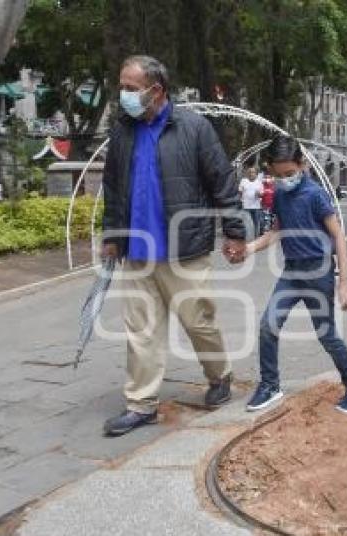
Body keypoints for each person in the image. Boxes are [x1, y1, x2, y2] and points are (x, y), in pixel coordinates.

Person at [100, 55, 246, 436]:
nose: (124, 96)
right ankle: (141, 403)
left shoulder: (194, 128)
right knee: (141, 330)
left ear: (156, 90)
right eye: (122, 87)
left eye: (131, 88)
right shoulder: (122, 131)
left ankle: (220, 376)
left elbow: (223, 183)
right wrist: (112, 237)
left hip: (185, 249)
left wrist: (235, 233)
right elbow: (113, 188)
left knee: (199, 322)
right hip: (137, 251)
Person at [226, 136, 347, 416]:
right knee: (268, 325)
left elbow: (338, 234)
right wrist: (248, 249)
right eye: (279, 175)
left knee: (326, 335)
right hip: (292, 272)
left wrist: (344, 282)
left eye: (290, 173)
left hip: (318, 270)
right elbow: (276, 231)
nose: (285, 179)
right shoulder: (279, 193)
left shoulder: (314, 194)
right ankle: (270, 384)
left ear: (302, 165)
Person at [239, 166, 264, 237]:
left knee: (255, 223)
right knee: (245, 223)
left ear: (256, 174)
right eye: (249, 172)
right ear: (247, 173)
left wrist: (259, 194)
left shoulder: (259, 183)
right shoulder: (243, 181)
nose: (251, 174)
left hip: (256, 207)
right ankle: (246, 237)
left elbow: (262, 194)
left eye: (253, 172)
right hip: (245, 206)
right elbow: (240, 192)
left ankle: (255, 238)